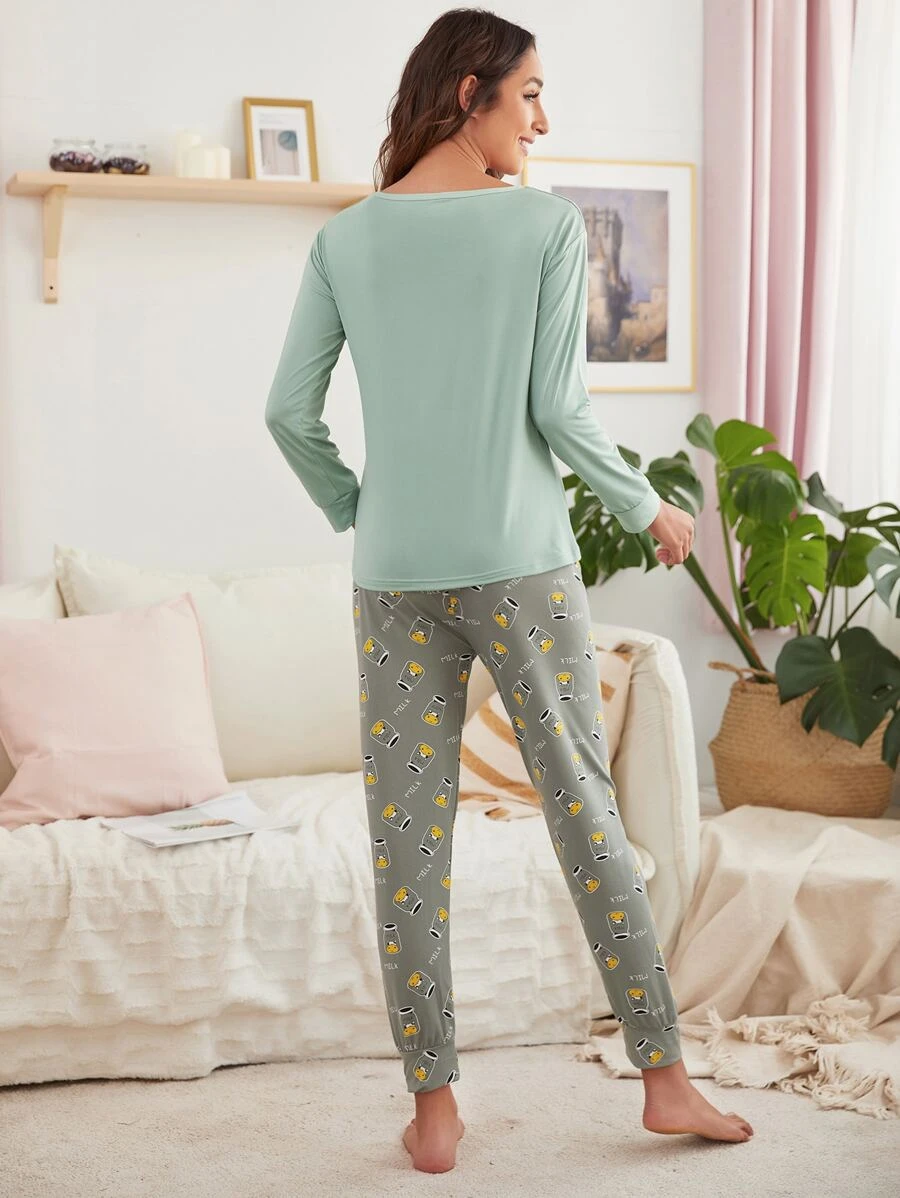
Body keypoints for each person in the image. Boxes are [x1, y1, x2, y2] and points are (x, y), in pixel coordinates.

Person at [265, 7, 754, 1175]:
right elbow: (558, 409)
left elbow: (288, 414)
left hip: (394, 577)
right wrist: (645, 504)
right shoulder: (540, 225)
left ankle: (434, 1109)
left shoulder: (347, 239)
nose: (542, 119)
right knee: (586, 814)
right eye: (530, 93)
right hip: (524, 569)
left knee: (406, 841)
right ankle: (665, 1079)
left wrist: (357, 506)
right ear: (470, 90)